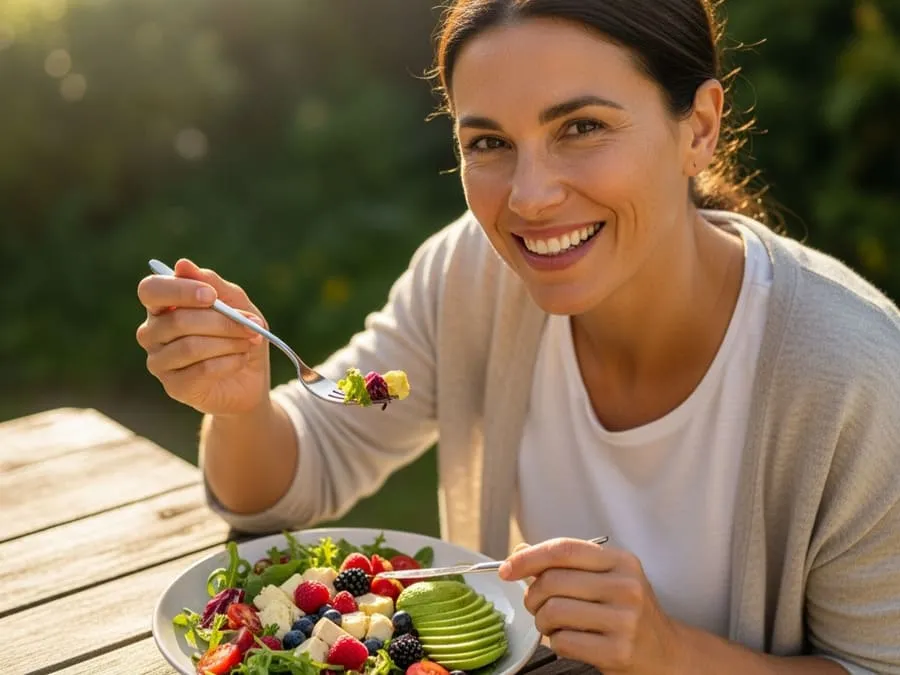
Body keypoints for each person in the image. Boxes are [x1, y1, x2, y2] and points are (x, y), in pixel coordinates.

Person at [135, 1, 900, 673]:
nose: (530, 198)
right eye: (489, 143)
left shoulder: (856, 379)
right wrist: (237, 404)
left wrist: (673, 656)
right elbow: (293, 476)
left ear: (698, 127)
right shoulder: (472, 275)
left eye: (582, 127)